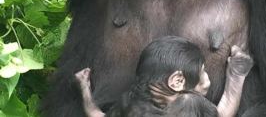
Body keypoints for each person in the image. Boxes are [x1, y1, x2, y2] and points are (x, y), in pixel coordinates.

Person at [75, 36, 253, 117]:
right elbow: (224, 113)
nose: (206, 78)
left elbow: (96, 114)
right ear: (177, 81)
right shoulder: (190, 104)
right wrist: (236, 76)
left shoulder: (129, 101)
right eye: (202, 71)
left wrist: (84, 89)